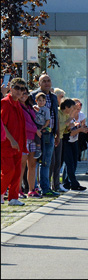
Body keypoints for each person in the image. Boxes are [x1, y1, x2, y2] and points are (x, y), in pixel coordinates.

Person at [30, 74, 60, 196]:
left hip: (50, 133)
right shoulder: (33, 96)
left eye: (49, 81)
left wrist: (57, 132)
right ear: (39, 83)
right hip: (37, 134)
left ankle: (46, 188)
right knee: (35, 161)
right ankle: (34, 188)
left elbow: (55, 114)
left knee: (47, 162)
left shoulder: (53, 97)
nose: (47, 83)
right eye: (44, 81)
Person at [1, 78, 27, 206]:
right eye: (17, 88)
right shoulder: (5, 103)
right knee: (8, 170)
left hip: (18, 144)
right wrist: (11, 140)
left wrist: (21, 143)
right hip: (6, 145)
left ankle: (13, 198)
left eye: (22, 89)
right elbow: (2, 125)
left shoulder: (18, 104)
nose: (19, 91)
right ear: (10, 88)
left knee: (17, 172)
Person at [59, 98, 87, 192]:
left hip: (75, 141)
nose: (77, 109)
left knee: (74, 163)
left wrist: (81, 129)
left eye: (78, 107)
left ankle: (67, 182)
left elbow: (82, 126)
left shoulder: (80, 115)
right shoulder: (67, 115)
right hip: (67, 140)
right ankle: (73, 183)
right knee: (69, 163)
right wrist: (78, 129)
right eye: (74, 106)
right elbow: (69, 131)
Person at [19, 89, 40, 199]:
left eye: (26, 93)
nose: (24, 95)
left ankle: (31, 189)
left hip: (33, 139)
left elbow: (34, 120)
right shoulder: (17, 106)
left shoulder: (29, 106)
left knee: (32, 164)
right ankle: (18, 190)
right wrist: (35, 129)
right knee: (21, 165)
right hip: (24, 137)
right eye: (21, 93)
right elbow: (22, 123)